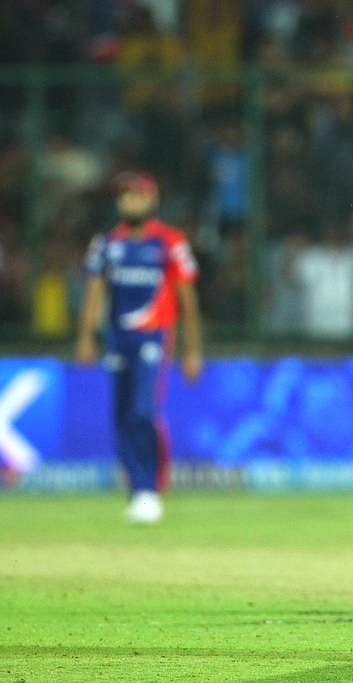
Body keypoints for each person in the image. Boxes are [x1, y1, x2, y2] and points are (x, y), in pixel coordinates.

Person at [75, 172, 203, 524]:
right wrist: (86, 336)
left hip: (154, 337)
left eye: (137, 195)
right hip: (117, 339)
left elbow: (187, 299)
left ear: (152, 199)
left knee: (142, 412)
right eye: (125, 196)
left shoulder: (169, 242)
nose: (130, 202)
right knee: (120, 416)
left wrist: (193, 349)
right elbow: (95, 292)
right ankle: (136, 489)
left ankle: (149, 488)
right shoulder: (106, 243)